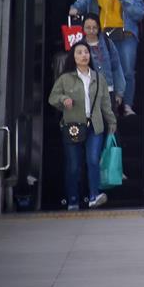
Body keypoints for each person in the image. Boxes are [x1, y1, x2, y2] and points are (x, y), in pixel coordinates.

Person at [70, 0, 144, 116]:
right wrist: (75, 7)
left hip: (126, 35)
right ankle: (108, 104)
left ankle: (126, 105)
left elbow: (139, 12)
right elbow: (87, 1)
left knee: (127, 71)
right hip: (105, 35)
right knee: (105, 70)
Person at [48, 40, 117, 210]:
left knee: (93, 160)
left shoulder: (99, 78)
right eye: (79, 52)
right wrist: (64, 99)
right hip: (73, 125)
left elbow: (106, 105)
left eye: (86, 52)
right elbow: (52, 98)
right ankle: (73, 199)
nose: (83, 55)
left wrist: (112, 123)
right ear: (73, 56)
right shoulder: (65, 78)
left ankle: (94, 195)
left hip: (95, 125)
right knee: (73, 164)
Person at [81, 13, 125, 111]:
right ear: (83, 28)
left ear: (99, 28)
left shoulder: (107, 43)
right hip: (87, 93)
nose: (91, 31)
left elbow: (116, 68)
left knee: (109, 123)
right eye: (88, 28)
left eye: (94, 28)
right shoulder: (79, 46)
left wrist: (119, 93)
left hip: (108, 92)